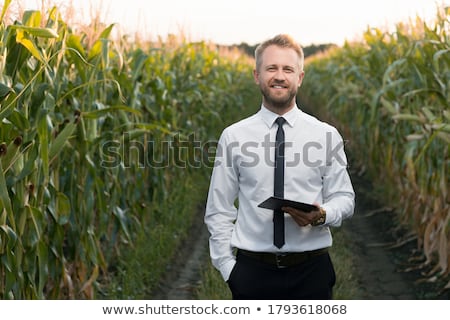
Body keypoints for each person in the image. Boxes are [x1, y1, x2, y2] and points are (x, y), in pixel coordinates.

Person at [204, 34, 355, 300]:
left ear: (300, 77)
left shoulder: (326, 135)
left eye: (288, 69)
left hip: (312, 273)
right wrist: (229, 269)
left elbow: (344, 198)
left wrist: (322, 214)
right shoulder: (234, 136)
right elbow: (219, 209)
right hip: (252, 274)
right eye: (271, 68)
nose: (279, 76)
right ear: (257, 75)